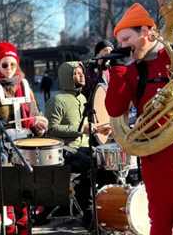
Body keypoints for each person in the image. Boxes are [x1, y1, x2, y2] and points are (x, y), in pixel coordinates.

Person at [105, 3, 173, 235]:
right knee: (160, 227)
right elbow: (115, 110)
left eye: (126, 40)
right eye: (119, 42)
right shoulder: (131, 69)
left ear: (146, 32)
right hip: (157, 163)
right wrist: (118, 71)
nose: (122, 47)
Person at [0, 41, 48, 235]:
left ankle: (24, 231)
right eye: (4, 65)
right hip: (3, 148)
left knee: (25, 196)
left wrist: (39, 125)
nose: (9, 69)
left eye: (13, 64)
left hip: (26, 146)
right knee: (9, 199)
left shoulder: (26, 85)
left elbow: (34, 114)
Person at [44, 61, 112, 228]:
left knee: (108, 164)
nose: (81, 75)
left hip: (84, 147)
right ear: (67, 76)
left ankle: (105, 209)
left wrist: (100, 130)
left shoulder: (83, 97)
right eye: (76, 73)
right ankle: (89, 214)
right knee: (90, 164)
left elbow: (89, 128)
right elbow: (51, 129)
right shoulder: (57, 100)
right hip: (65, 150)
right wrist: (82, 129)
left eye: (82, 72)